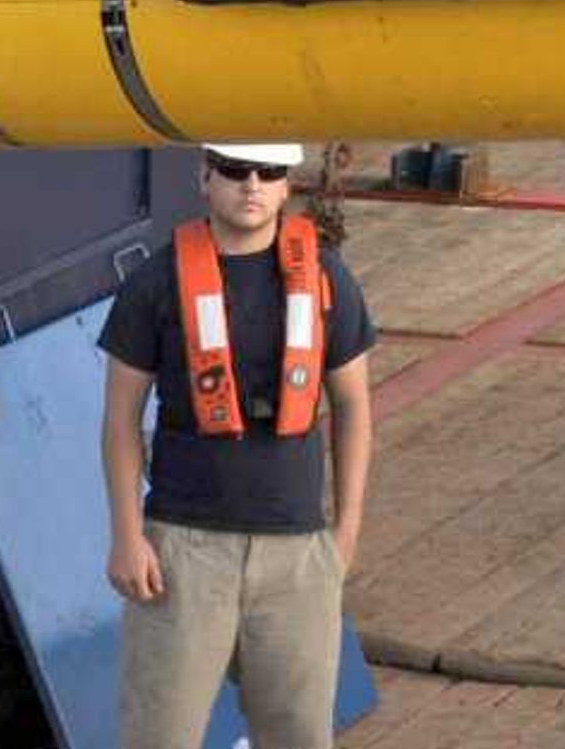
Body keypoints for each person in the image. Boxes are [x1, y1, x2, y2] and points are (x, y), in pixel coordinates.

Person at [100, 142, 376, 749]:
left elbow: (353, 405)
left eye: (268, 172)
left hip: (297, 554)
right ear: (204, 176)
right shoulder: (156, 283)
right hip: (183, 554)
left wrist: (345, 534)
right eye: (233, 170)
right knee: (158, 736)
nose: (251, 184)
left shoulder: (328, 280)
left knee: (299, 736)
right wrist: (126, 535)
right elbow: (120, 419)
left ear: (285, 187)